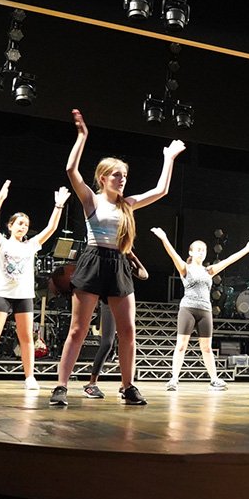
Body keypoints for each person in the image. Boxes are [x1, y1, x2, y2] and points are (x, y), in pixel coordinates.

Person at [50, 108, 185, 407]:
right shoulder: (91, 199)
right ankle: (61, 386)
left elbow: (161, 190)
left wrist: (169, 158)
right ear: (102, 177)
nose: (122, 179)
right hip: (93, 260)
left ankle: (128, 387)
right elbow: (72, 170)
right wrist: (82, 136)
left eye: (124, 176)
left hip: (118, 264)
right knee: (78, 329)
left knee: (127, 331)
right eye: (116, 175)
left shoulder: (128, 204)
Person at [0, 180, 69, 391]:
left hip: (23, 295)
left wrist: (58, 205)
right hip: (1, 293)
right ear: (10, 226)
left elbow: (51, 228)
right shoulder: (1, 243)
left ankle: (29, 377)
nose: (23, 227)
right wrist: (1, 198)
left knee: (26, 337)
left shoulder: (31, 245)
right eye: (19, 223)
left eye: (26, 224)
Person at [150, 226, 249, 391]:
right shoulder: (185, 268)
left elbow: (229, 260)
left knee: (207, 348)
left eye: (204, 250)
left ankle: (214, 379)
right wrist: (164, 238)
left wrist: (247, 249)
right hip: (188, 309)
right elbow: (172, 254)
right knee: (181, 345)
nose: (202, 252)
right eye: (198, 250)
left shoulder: (208, 270)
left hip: (205, 311)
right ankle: (174, 379)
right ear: (191, 253)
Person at [81, 252, 149, 399]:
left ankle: (126, 385)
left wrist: (133, 257)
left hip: (123, 299)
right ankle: (91, 383)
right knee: (107, 342)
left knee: (129, 340)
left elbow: (144, 275)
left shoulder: (126, 259)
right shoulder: (110, 256)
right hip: (108, 302)